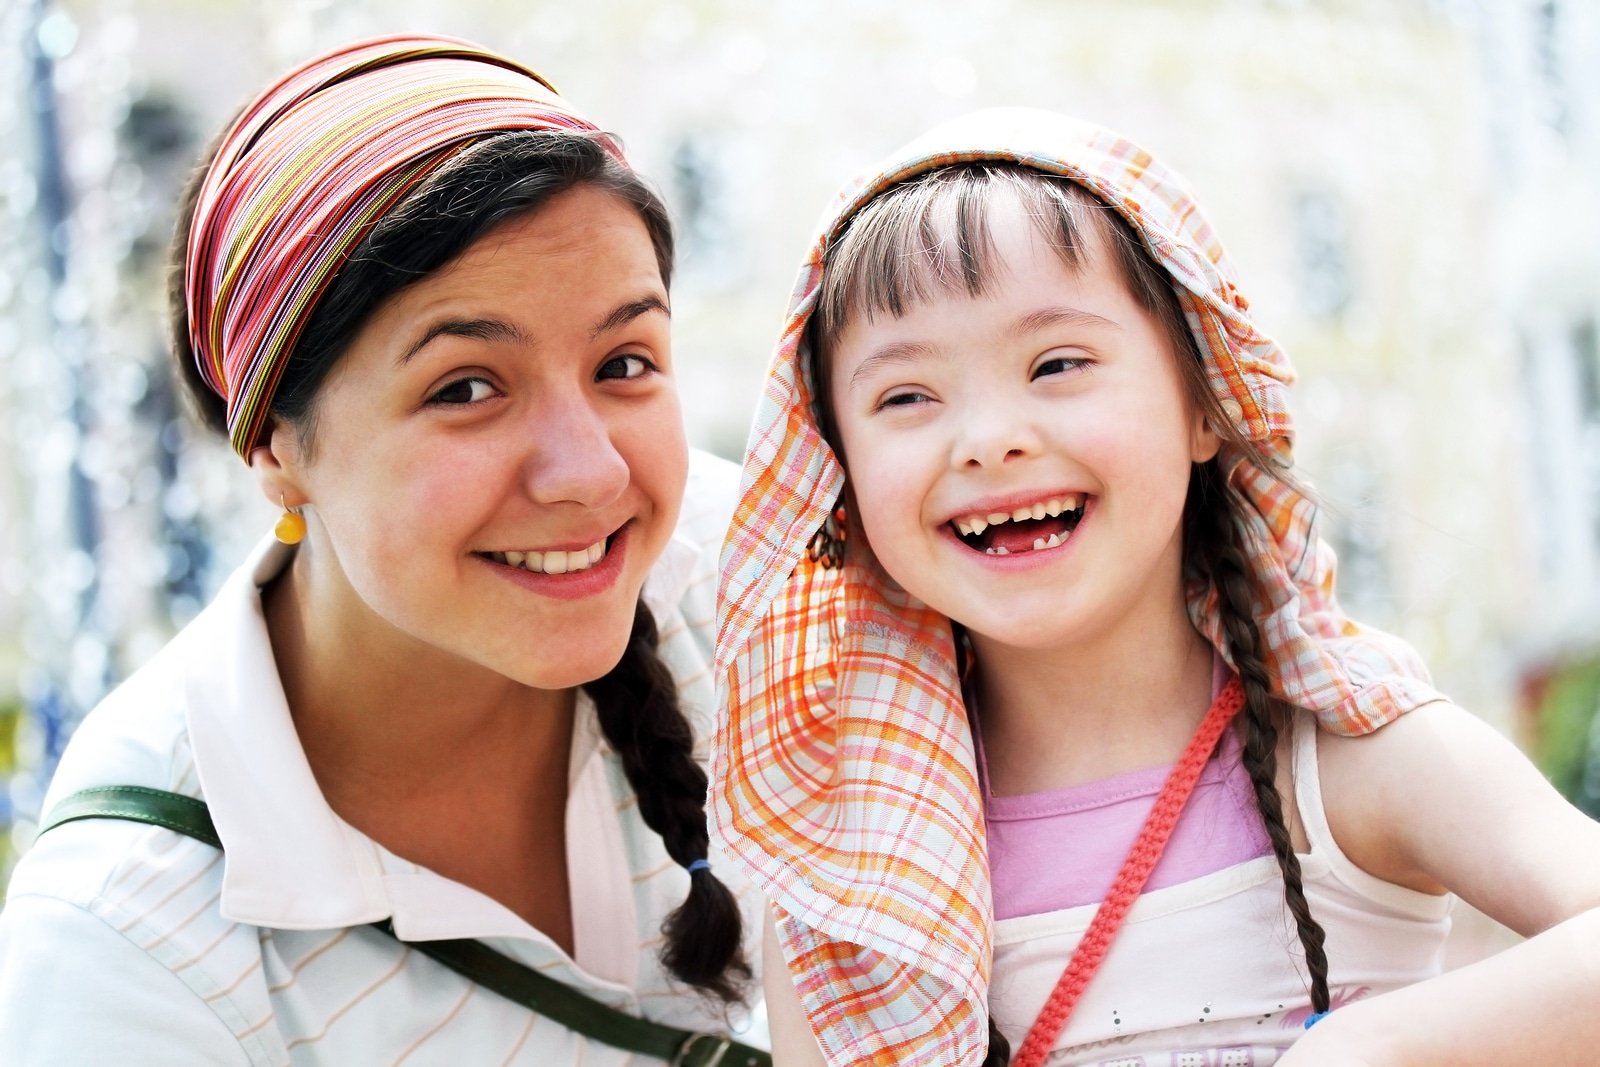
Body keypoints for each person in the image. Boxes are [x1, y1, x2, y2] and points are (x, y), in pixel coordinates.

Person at [710, 108, 1600, 1066]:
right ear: (838, 472)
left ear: (1204, 400)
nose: (986, 437)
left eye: (1058, 364)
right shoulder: (848, 861)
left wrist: (1370, 1047)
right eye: (907, 397)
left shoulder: (1344, 752)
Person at [0, 34, 767, 1066]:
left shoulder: (761, 584)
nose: (588, 472)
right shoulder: (127, 948)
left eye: (623, 361)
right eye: (465, 387)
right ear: (275, 442)